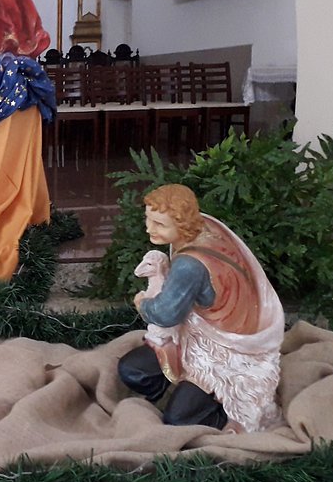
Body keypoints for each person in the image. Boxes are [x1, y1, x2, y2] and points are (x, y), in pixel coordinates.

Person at [118, 185, 285, 433]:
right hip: (194, 335)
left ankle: (223, 415)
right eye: (148, 219)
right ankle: (174, 389)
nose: (148, 229)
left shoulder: (189, 265)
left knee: (178, 420)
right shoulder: (205, 226)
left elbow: (164, 314)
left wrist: (142, 303)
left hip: (223, 352)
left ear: (182, 224)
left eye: (159, 224)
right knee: (133, 369)